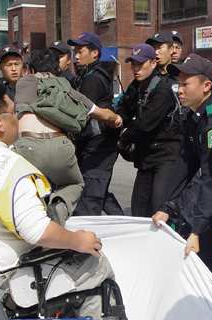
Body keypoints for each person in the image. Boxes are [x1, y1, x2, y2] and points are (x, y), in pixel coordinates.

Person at [0, 82, 148, 320]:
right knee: (94, 258)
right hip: (11, 277)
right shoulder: (9, 168)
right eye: (14, 113)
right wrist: (77, 240)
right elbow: (36, 231)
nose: (18, 119)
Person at [152, 54, 212, 301]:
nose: (180, 89)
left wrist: (197, 229)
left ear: (207, 86)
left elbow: (211, 176)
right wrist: (167, 205)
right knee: (206, 268)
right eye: (179, 83)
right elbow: (185, 161)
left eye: (186, 83)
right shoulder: (194, 117)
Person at [13, 48, 122, 226]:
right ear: (58, 70)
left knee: (27, 189)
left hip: (28, 146)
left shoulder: (23, 83)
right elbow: (99, 113)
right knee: (74, 184)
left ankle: (29, 226)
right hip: (60, 146)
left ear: (30, 69)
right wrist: (115, 119)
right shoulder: (64, 86)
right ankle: (60, 206)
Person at [115, 44, 183, 217]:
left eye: (141, 63)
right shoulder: (137, 87)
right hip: (146, 157)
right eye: (133, 63)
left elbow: (145, 124)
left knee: (159, 207)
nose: (136, 68)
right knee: (138, 209)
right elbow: (124, 108)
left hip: (165, 155)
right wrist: (118, 120)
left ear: (153, 63)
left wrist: (124, 140)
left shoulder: (162, 90)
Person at [67, 31, 124, 216]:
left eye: (80, 51)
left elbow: (82, 114)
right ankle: (123, 227)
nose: (76, 56)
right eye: (75, 51)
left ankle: (89, 242)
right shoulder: (91, 75)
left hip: (98, 146)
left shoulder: (92, 79)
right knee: (99, 194)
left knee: (88, 201)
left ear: (95, 53)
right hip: (97, 146)